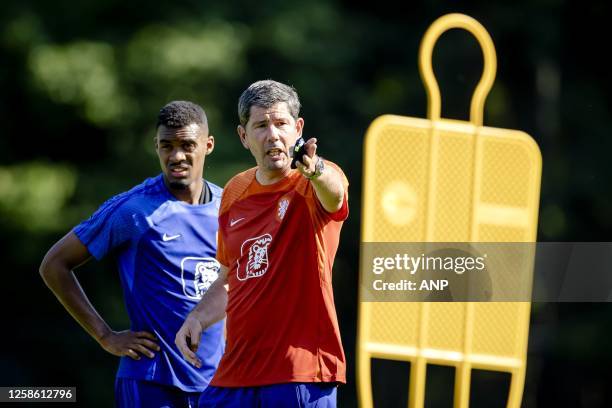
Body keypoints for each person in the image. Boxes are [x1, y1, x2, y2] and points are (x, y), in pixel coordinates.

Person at [175, 80, 349, 407]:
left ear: (297, 129)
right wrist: (197, 317)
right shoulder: (234, 192)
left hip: (299, 372)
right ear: (244, 136)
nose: (273, 134)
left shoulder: (312, 183)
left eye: (281, 124)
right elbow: (231, 276)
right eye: (261, 125)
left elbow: (335, 191)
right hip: (235, 374)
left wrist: (316, 170)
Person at [39, 101, 225, 408]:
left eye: (187, 145)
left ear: (208, 145)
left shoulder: (230, 206)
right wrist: (105, 336)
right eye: (167, 145)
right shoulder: (132, 210)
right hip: (151, 381)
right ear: (156, 146)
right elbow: (55, 264)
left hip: (218, 383)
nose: (177, 156)